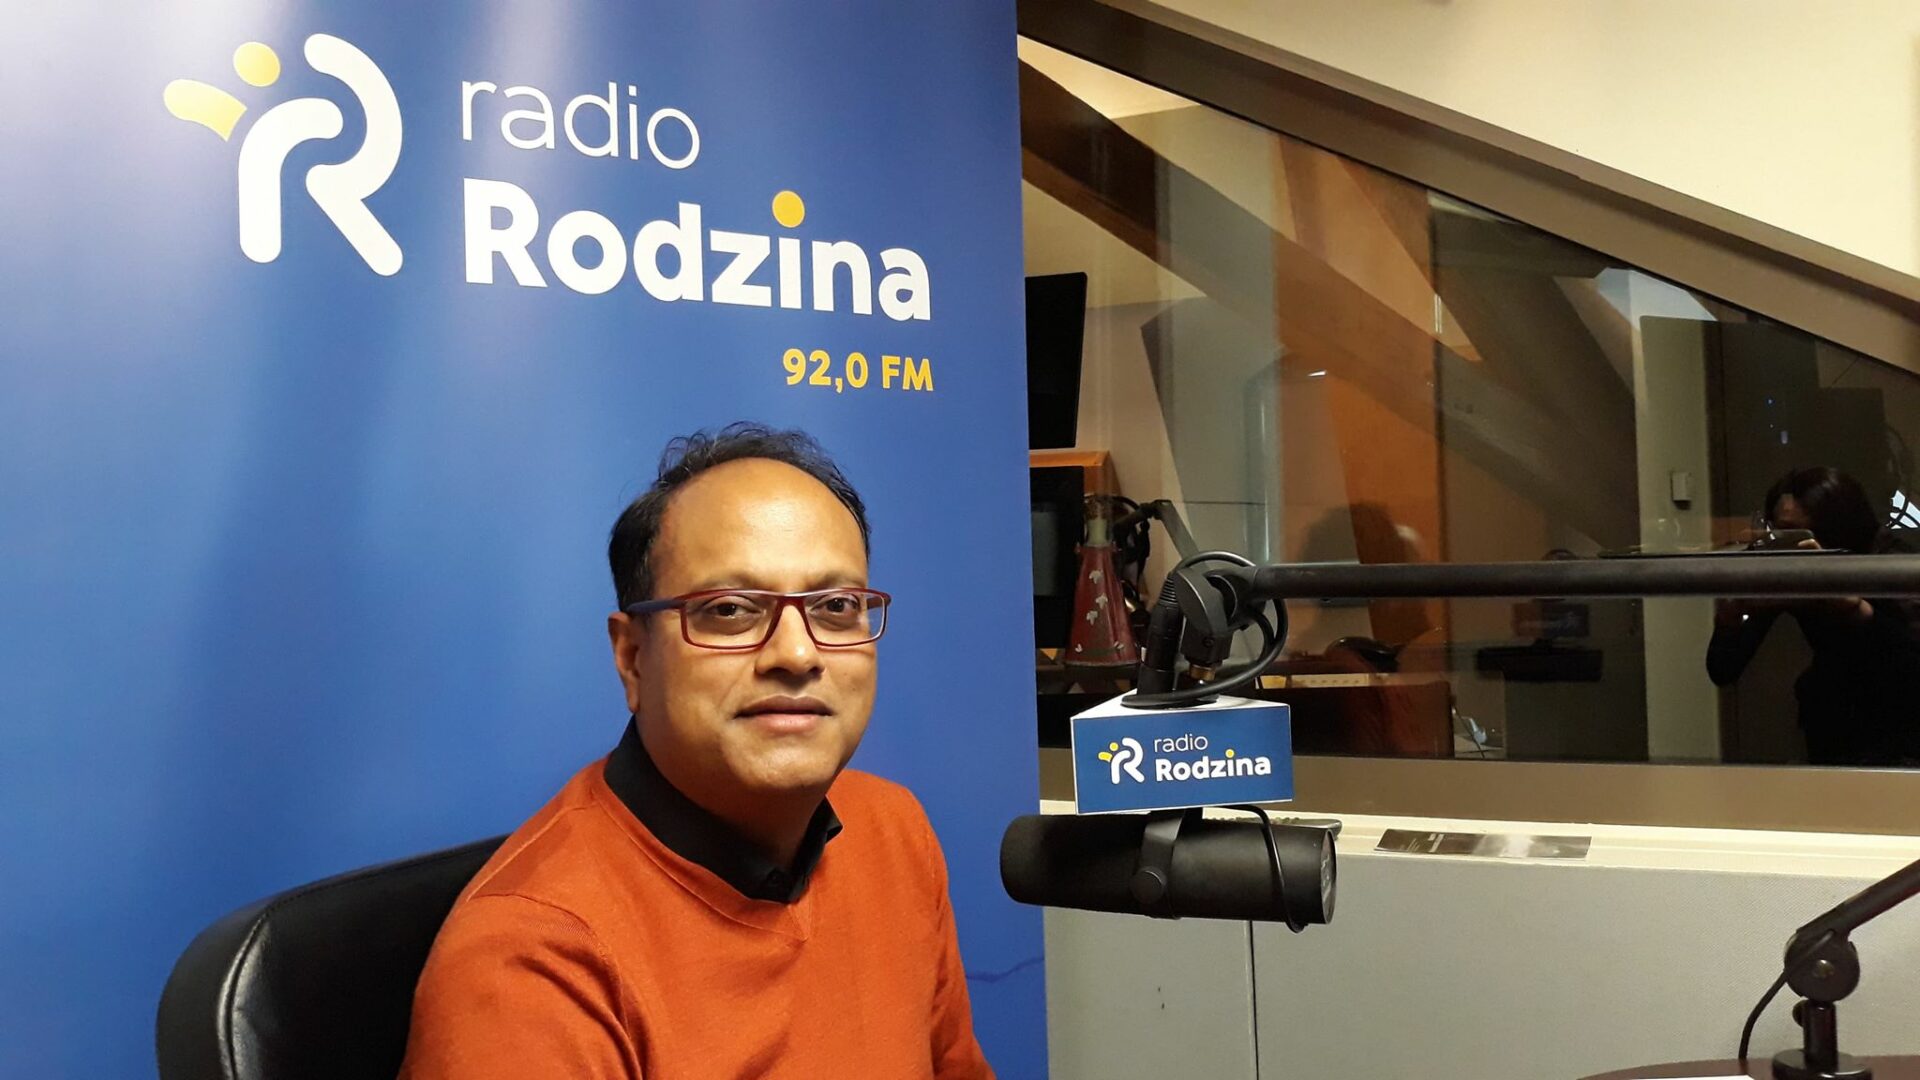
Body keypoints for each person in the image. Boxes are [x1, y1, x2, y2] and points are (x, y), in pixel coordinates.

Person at [399, 423, 993, 1079]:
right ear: (633, 658)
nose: (798, 654)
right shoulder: (530, 963)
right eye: (731, 610)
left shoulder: (894, 830)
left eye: (836, 606)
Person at [1707, 466, 1920, 766]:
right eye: (1779, 532)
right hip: (1834, 720)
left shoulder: (1888, 559)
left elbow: (1910, 662)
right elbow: (1723, 668)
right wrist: (1730, 621)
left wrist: (1854, 608)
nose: (1790, 545)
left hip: (1904, 727)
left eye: (1798, 533)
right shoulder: (1792, 565)